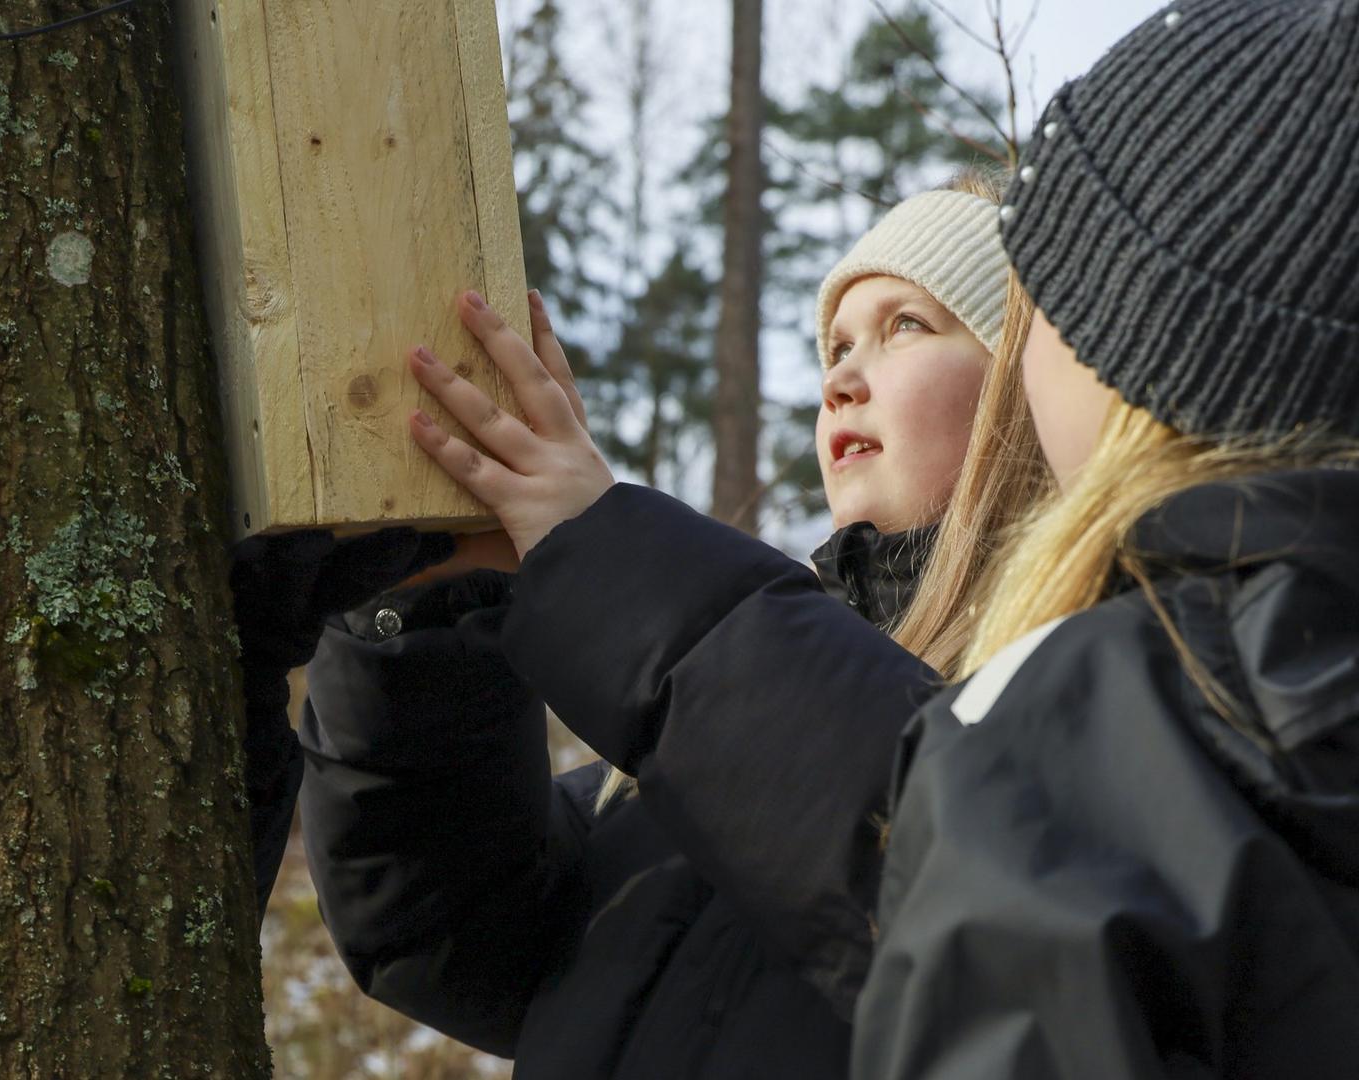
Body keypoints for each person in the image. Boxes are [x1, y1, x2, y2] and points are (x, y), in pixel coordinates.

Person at [268, 173, 1050, 1076]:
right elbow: (450, 936)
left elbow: (953, 885)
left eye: (907, 325)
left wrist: (599, 551)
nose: (839, 378)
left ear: (1029, 393)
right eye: (833, 346)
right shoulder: (685, 756)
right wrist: (429, 610)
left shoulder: (1086, 678)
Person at [851, 1, 1359, 1075]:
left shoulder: (1081, 724)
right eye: (832, 342)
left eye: (1045, 294)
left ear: (1124, 346)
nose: (845, 375)